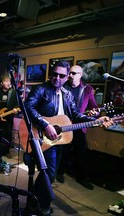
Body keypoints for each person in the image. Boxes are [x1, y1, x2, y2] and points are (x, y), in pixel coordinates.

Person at [24, 60, 112, 215]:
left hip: (58, 140)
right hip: (40, 137)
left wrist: (96, 121)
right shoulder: (41, 89)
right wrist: (45, 125)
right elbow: (28, 107)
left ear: (66, 78)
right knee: (49, 173)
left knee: (49, 174)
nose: (57, 78)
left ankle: (36, 202)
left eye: (61, 75)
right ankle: (40, 206)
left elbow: (76, 115)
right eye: (55, 74)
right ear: (51, 74)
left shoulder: (67, 94)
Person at [56, 65, 99, 190]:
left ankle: (81, 178)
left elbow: (94, 107)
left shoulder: (87, 90)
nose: (70, 75)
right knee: (63, 151)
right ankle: (59, 173)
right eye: (70, 73)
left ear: (80, 75)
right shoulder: (63, 88)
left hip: (79, 127)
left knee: (81, 152)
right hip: (64, 125)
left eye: (73, 73)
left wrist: (95, 113)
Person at [0, 73, 19, 147]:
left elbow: (17, 104)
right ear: (1, 83)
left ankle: (6, 150)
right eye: (6, 81)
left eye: (9, 81)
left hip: (9, 118)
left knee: (8, 134)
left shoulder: (13, 92)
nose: (8, 83)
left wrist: (16, 109)